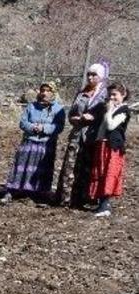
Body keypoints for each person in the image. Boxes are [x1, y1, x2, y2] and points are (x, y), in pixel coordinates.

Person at [0, 82, 65, 204]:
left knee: (41, 168)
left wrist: (44, 128)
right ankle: (12, 190)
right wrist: (32, 127)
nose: (44, 93)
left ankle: (39, 193)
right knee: (22, 166)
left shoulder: (58, 109)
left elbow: (59, 126)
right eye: (42, 90)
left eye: (47, 90)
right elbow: (23, 122)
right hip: (29, 141)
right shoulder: (31, 106)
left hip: (46, 144)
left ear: (53, 93)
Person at [55, 62, 110, 207]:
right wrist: (74, 119)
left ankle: (85, 198)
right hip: (77, 134)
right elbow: (72, 113)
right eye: (89, 74)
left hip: (93, 136)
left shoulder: (105, 95)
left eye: (94, 75)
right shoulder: (81, 93)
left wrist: (95, 119)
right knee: (70, 166)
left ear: (101, 77)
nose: (90, 77)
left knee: (88, 167)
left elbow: (108, 114)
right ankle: (66, 198)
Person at [87, 82, 131, 217]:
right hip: (103, 144)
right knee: (100, 172)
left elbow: (111, 125)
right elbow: (103, 128)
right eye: (109, 95)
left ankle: (105, 205)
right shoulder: (109, 108)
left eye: (114, 95)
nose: (111, 98)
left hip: (113, 147)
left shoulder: (124, 111)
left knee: (109, 173)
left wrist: (109, 110)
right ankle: (101, 204)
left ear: (123, 95)